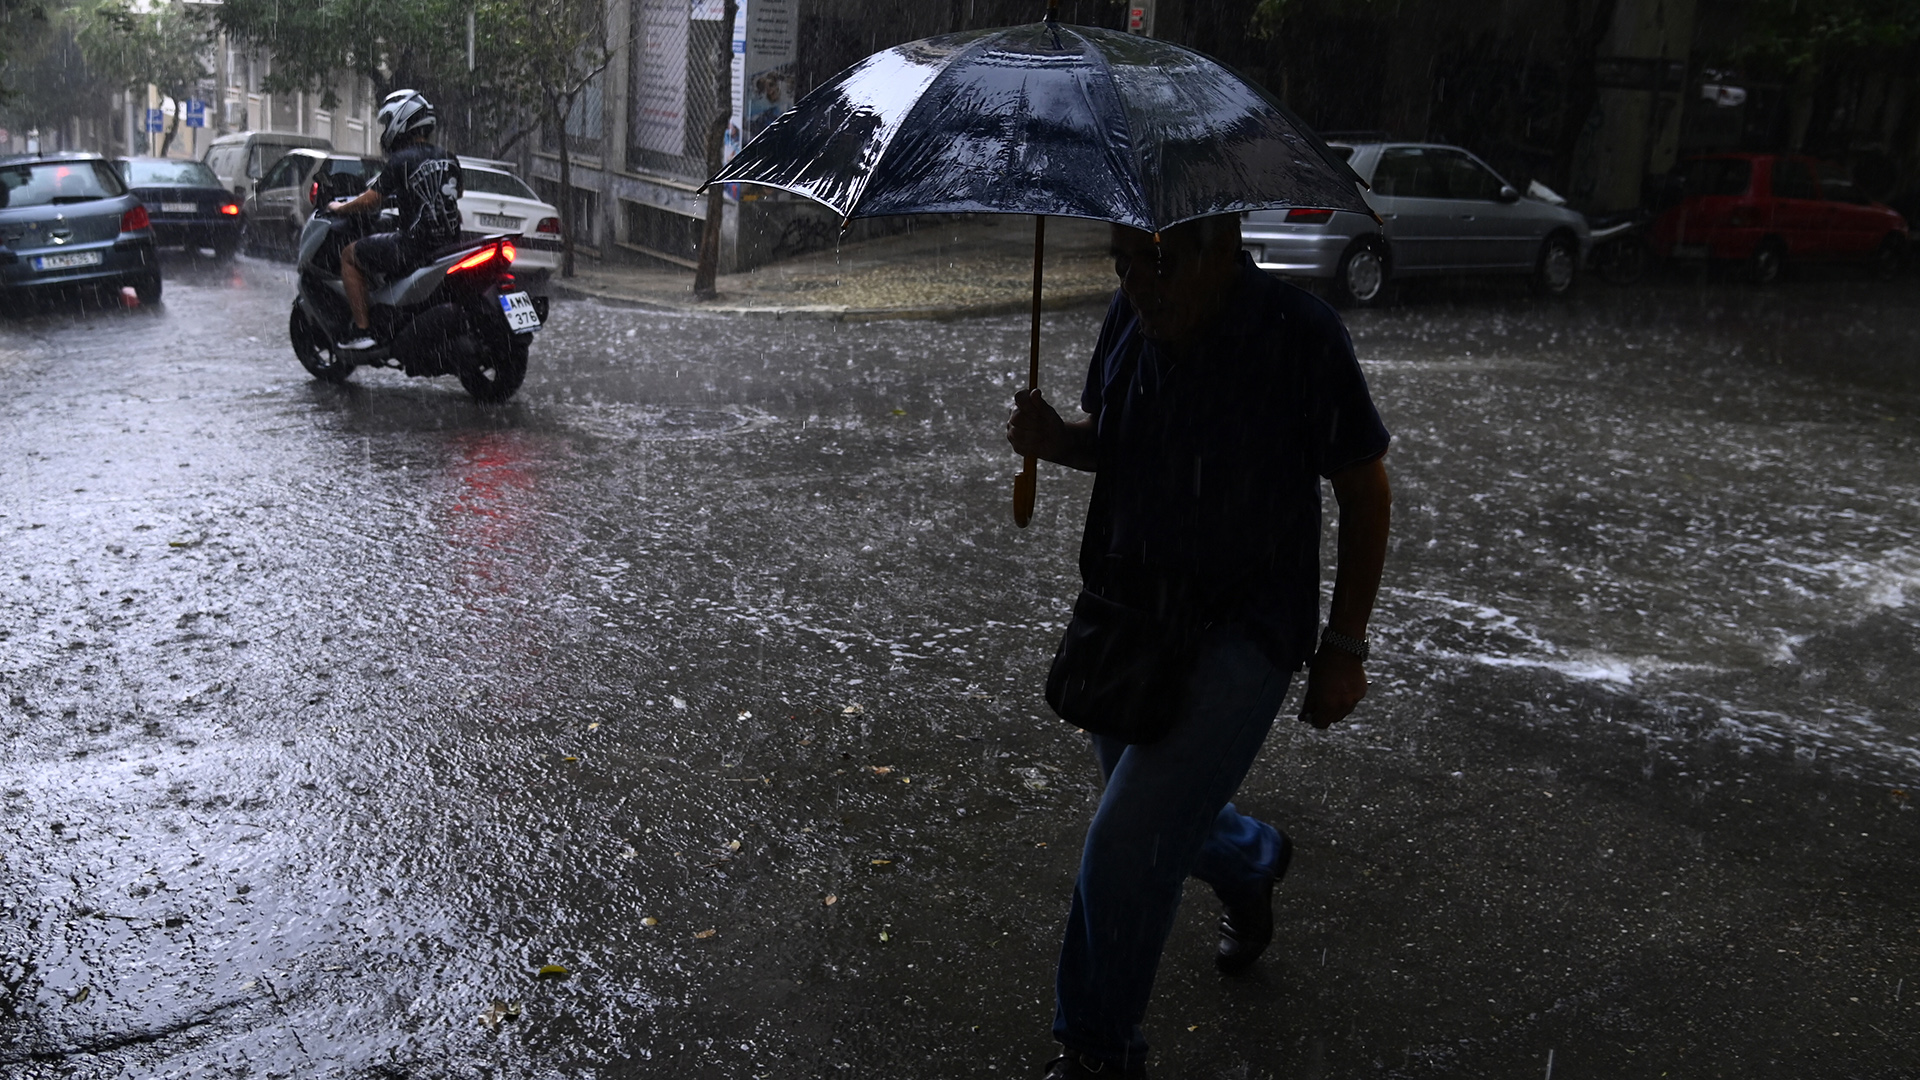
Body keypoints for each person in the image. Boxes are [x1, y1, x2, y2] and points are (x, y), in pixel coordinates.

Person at [1006, 214, 1393, 1079]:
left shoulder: (1301, 335)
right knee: (1150, 817)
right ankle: (1249, 858)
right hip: (1130, 616)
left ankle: (1099, 1055)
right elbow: (1112, 444)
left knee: (1126, 843)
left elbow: (1366, 493)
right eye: (1123, 264)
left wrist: (1344, 648)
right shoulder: (1129, 317)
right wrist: (1052, 442)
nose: (1140, 284)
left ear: (1223, 249)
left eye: (1160, 264)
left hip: (1244, 630)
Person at [326, 89, 464, 351]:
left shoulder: (402, 160)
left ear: (401, 121)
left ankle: (363, 330)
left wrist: (341, 207)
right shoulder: (449, 157)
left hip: (413, 247)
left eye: (388, 122)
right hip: (449, 246)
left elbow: (371, 200)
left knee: (349, 255)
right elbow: (455, 195)